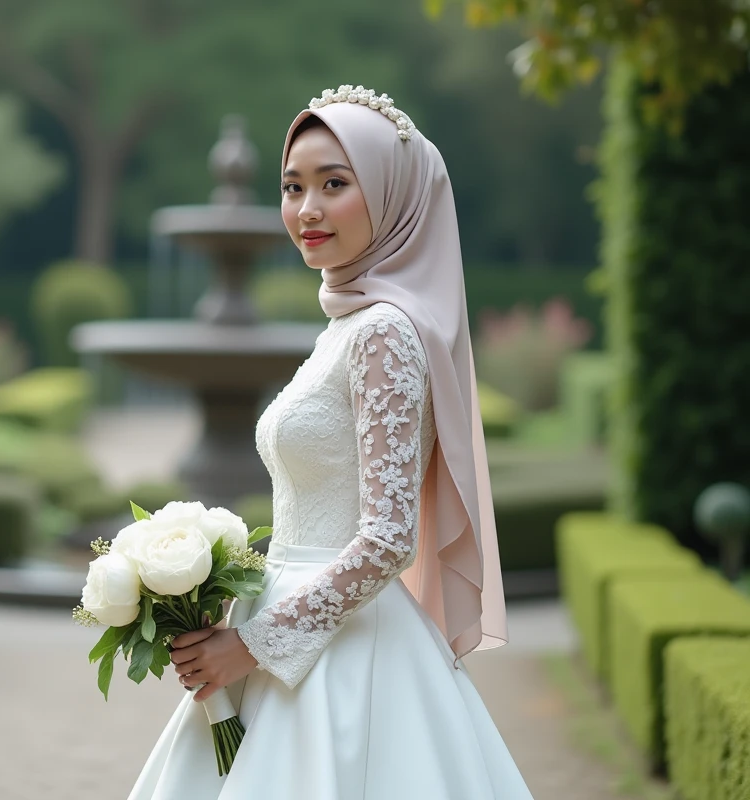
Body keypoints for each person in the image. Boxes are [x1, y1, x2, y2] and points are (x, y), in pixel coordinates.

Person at [126, 85, 536, 799]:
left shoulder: (383, 331)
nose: (306, 209)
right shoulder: (347, 324)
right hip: (284, 617)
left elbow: (385, 540)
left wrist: (250, 647)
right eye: (292, 187)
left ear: (390, 193)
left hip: (345, 655)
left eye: (334, 184)